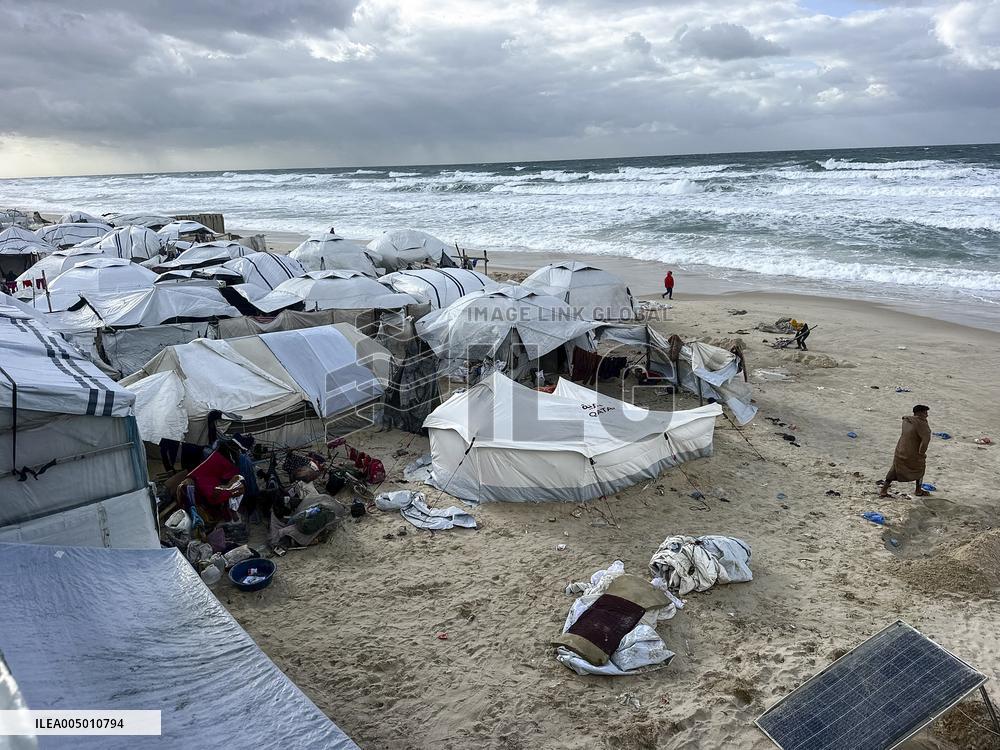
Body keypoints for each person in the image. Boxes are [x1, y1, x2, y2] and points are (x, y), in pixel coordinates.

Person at [880, 405, 931, 497]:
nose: (927, 415)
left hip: (900, 450)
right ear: (919, 413)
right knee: (920, 469)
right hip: (913, 453)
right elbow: (925, 441)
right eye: (925, 412)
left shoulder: (906, 421)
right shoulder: (922, 424)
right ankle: (918, 490)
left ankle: (883, 490)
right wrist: (921, 453)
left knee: (894, 469)